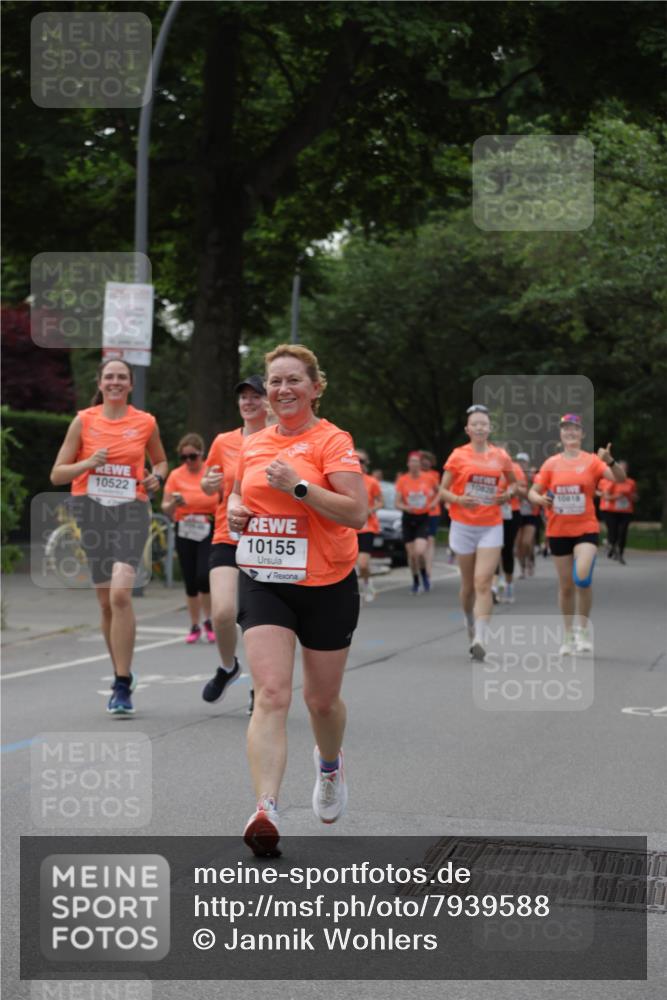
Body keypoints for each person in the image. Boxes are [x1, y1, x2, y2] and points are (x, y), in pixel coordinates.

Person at [227, 343, 366, 857]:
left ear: (315, 387)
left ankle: (329, 766)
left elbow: (355, 512)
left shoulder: (333, 441)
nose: (282, 390)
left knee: (320, 701)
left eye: (293, 381)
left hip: (327, 581)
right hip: (266, 577)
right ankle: (266, 808)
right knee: (271, 694)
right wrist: (237, 512)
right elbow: (242, 496)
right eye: (275, 382)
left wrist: (302, 486)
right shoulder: (255, 443)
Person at [50, 358, 168, 715]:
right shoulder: (84, 421)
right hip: (92, 510)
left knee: (120, 595)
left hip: (131, 509)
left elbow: (161, 461)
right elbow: (57, 474)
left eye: (122, 377)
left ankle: (120, 683)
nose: (115, 382)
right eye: (109, 377)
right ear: (100, 383)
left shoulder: (145, 422)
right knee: (105, 602)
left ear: (130, 385)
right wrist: (87, 464)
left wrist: (157, 477)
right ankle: (123, 672)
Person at [528, 414, 626, 654]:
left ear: (582, 434)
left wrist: (611, 461)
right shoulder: (551, 463)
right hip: (558, 530)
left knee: (582, 578)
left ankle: (583, 631)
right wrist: (538, 498)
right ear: (560, 435)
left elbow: (620, 480)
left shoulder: (593, 461)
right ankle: (569, 635)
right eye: (565, 429)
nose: (570, 432)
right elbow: (533, 490)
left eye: (575, 429)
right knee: (566, 587)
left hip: (586, 528)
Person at [200, 376, 269, 714]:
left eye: (256, 396)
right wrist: (209, 482)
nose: (248, 402)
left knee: (257, 620)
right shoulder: (223, 441)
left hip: (269, 539)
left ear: (268, 402)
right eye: (243, 397)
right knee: (223, 612)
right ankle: (228, 667)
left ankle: (260, 691)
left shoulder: (279, 439)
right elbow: (209, 484)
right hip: (228, 536)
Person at [439, 405, 516, 660]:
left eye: (484, 424)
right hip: (462, 525)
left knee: (484, 581)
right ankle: (469, 623)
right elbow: (443, 491)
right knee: (468, 586)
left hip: (491, 525)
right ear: (468, 429)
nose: (480, 428)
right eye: (476, 424)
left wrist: (508, 494)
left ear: (490, 428)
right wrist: (459, 500)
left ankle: (481, 638)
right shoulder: (458, 456)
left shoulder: (501, 456)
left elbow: (514, 484)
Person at [162, 434, 218, 644]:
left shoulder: (210, 473)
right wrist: (175, 503)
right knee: (190, 579)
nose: (188, 461)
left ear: (201, 454)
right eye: (183, 457)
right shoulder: (176, 475)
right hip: (184, 527)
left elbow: (219, 499)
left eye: (192, 457)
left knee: (204, 575)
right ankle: (195, 624)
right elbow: (165, 508)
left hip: (206, 526)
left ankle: (209, 620)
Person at [395, 451, 438, 594]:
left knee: (419, 552)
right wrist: (405, 507)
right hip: (408, 518)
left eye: (416, 461)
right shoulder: (403, 480)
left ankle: (424, 574)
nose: (414, 464)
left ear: (420, 464)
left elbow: (439, 492)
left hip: (423, 518)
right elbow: (397, 502)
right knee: (412, 555)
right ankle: (415, 581)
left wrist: (433, 504)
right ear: (408, 464)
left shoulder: (429, 478)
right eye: (411, 461)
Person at [497, 446, 527, 603]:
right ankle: (495, 584)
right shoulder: (487, 467)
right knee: (492, 548)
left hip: (511, 512)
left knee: (507, 548)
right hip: (490, 513)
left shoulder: (514, 468)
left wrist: (510, 491)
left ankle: (509, 584)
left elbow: (523, 490)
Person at [355, 449, 383, 603]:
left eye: (361, 461)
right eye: (355, 460)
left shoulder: (372, 482)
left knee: (363, 564)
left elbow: (380, 501)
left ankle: (367, 583)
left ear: (366, 464)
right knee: (350, 565)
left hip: (367, 527)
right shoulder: (346, 479)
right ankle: (354, 589)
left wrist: (370, 510)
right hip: (347, 528)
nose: (358, 464)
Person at [600, 462, 637, 565]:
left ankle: (620, 553)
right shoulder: (611, 481)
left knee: (623, 532)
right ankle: (611, 546)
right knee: (613, 532)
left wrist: (632, 497)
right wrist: (617, 497)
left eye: (625, 469)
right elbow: (605, 497)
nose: (623, 471)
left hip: (626, 511)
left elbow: (635, 496)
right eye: (621, 469)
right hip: (611, 511)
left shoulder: (630, 482)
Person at [515, 452, 540, 578]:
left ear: (527, 463)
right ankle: (522, 567)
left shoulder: (533, 476)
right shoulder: (514, 475)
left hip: (531, 513)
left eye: (523, 462)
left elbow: (539, 491)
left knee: (527, 542)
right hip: (518, 512)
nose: (521, 464)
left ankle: (531, 560)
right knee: (518, 543)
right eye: (519, 461)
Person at [420, 450, 442, 581]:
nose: (425, 462)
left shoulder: (435, 475)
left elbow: (439, 492)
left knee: (430, 540)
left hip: (432, 512)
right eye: (423, 459)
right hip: (417, 513)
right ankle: (421, 567)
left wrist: (433, 503)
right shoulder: (413, 475)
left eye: (428, 460)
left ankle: (428, 570)